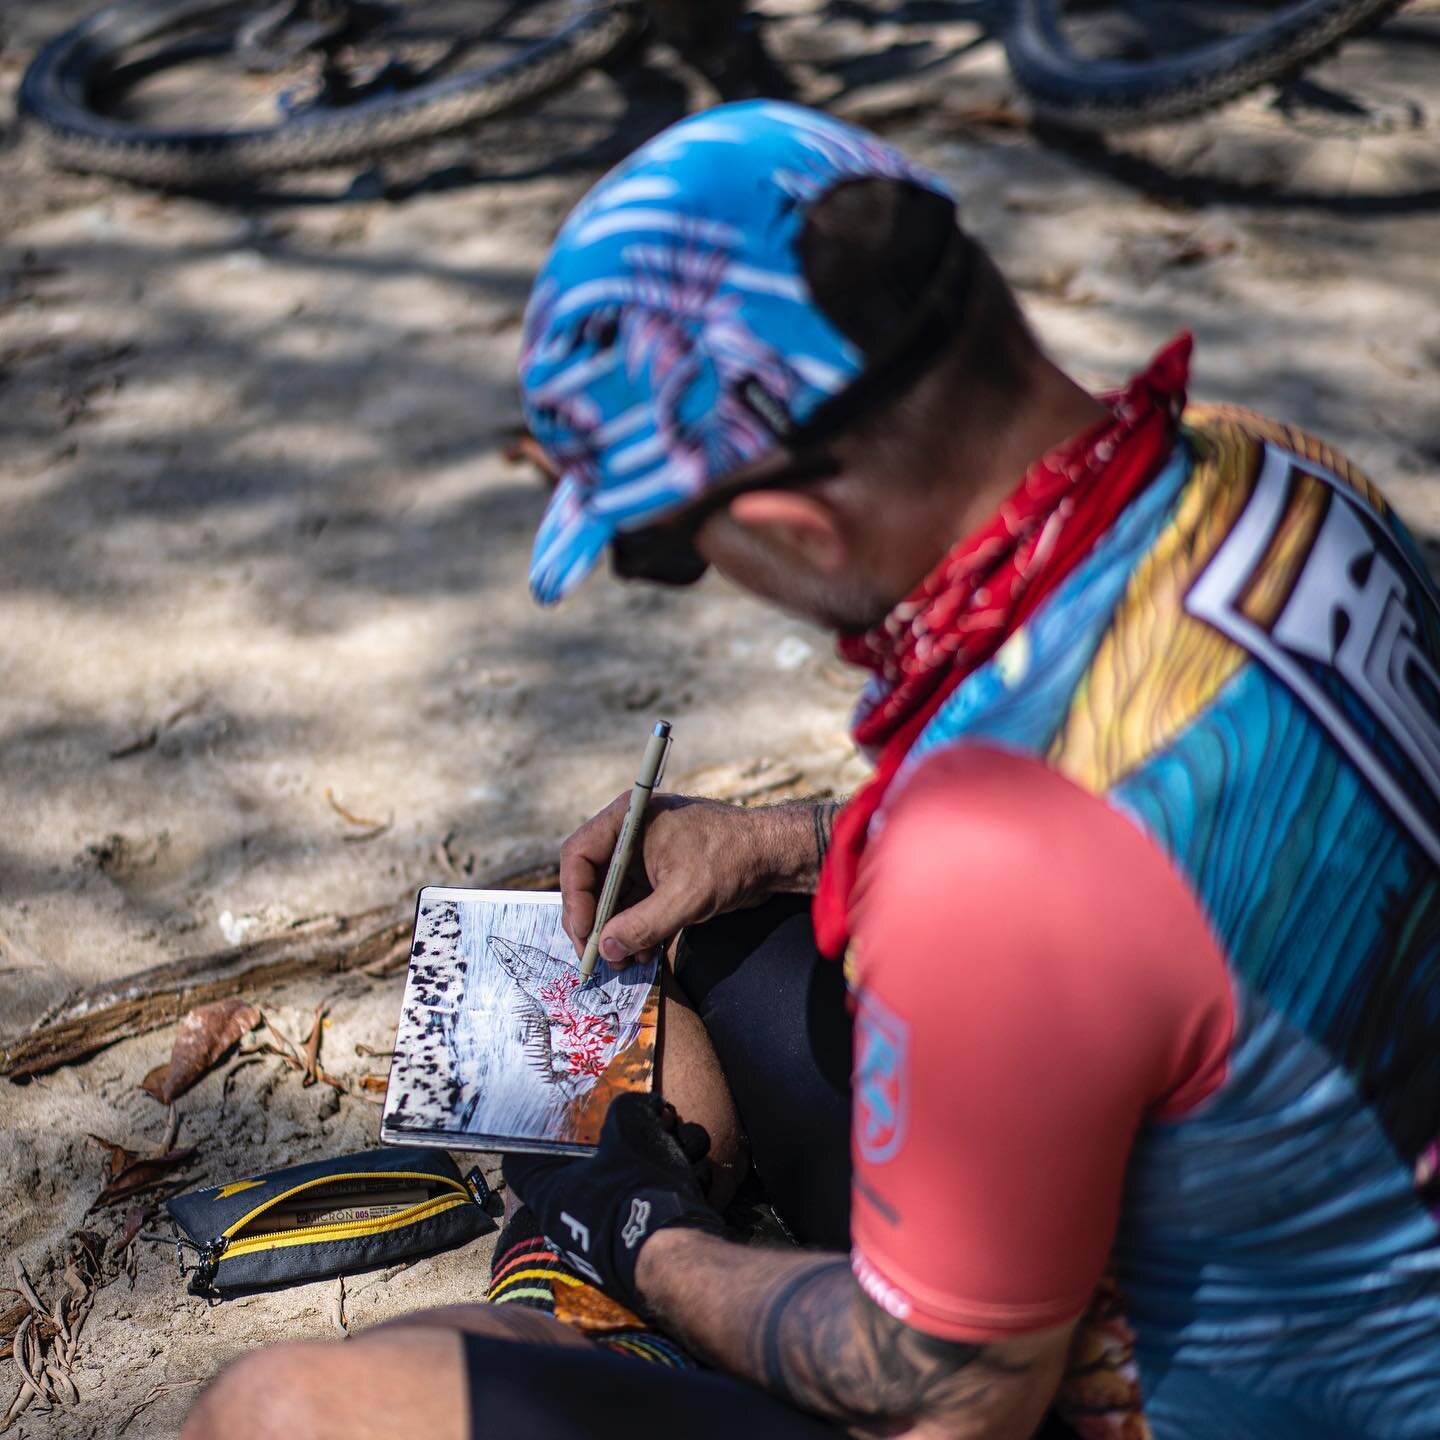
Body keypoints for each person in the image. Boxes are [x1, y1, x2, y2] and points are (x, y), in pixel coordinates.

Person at [182, 101, 1440, 1440]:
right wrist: (786, 842)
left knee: (291, 1411)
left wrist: (646, 1243)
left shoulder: (994, 846)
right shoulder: (1271, 473)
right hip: (1338, 1217)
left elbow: (945, 1403)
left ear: (794, 519)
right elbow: (1157, 855)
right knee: (705, 939)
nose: (682, 576)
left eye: (664, 547)